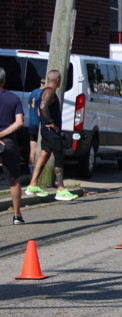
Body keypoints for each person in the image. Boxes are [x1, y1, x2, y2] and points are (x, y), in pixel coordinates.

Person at [24, 70, 78, 202]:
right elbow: (43, 107)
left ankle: (32, 184)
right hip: (51, 132)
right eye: (61, 79)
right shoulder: (49, 92)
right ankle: (61, 189)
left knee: (45, 154)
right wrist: (51, 123)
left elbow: (39, 109)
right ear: (58, 80)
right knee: (59, 156)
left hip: (46, 131)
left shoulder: (45, 91)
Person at [0, 66, 26, 224]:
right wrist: (2, 134)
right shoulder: (14, 99)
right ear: (4, 80)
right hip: (8, 142)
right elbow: (19, 122)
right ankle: (17, 215)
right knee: (14, 179)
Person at [27, 81, 43, 176]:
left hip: (31, 124)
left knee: (32, 150)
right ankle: (38, 173)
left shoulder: (33, 92)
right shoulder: (45, 93)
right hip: (40, 125)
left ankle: (31, 172)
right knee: (41, 151)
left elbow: (29, 106)